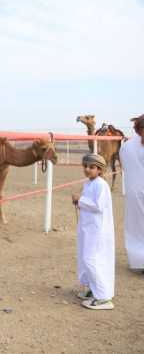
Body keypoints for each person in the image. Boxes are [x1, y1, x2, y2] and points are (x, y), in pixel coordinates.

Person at [71, 153, 115, 310]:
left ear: (100, 170)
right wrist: (79, 201)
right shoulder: (89, 184)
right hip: (87, 228)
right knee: (85, 258)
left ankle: (103, 297)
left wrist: (80, 200)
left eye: (92, 167)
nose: (87, 169)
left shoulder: (100, 184)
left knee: (91, 259)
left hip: (97, 230)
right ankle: (91, 289)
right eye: (86, 166)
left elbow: (98, 206)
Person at [120, 114, 144, 271]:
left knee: (135, 226)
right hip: (137, 190)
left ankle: (138, 262)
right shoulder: (129, 146)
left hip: (133, 191)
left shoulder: (125, 146)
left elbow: (124, 166)